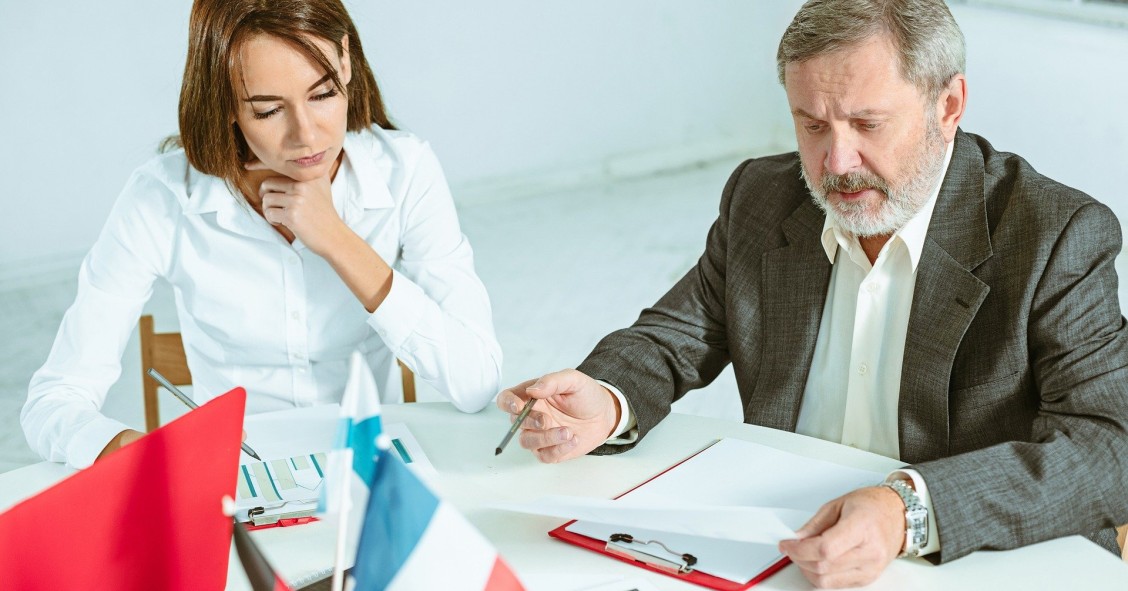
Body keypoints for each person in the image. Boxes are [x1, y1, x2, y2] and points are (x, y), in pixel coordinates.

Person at [497, 0, 1128, 587]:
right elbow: (675, 336)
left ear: (949, 105)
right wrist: (609, 398)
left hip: (964, 556)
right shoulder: (763, 197)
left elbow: (1109, 447)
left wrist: (905, 511)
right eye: (812, 124)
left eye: (866, 123)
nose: (835, 162)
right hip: (788, 553)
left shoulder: (1053, 234)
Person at [23, 0, 501, 470]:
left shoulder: (406, 170)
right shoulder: (162, 198)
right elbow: (54, 401)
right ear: (224, 103)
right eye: (269, 110)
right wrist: (132, 447)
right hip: (236, 478)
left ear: (346, 60)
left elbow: (475, 381)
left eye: (323, 94)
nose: (308, 136)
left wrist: (337, 240)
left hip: (367, 476)